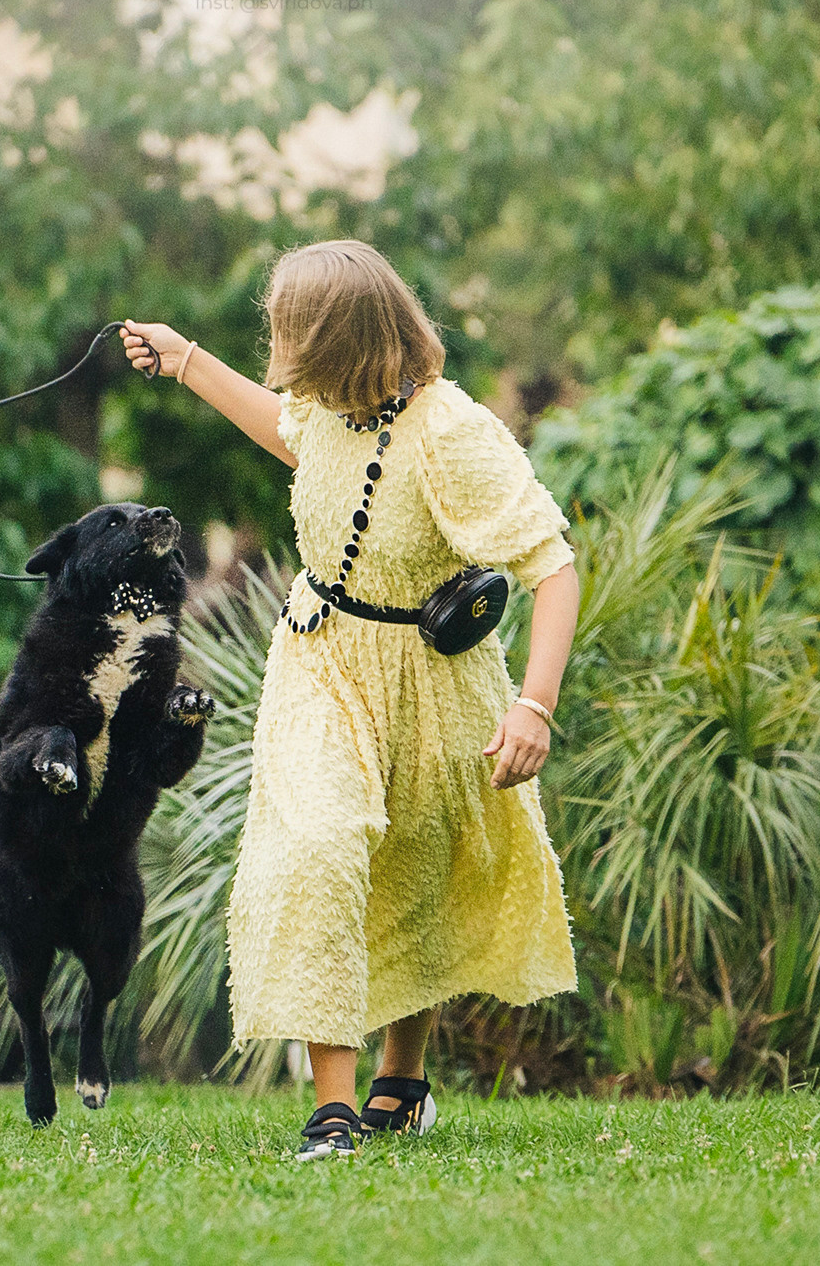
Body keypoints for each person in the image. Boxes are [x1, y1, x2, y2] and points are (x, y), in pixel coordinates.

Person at [120, 239, 580, 1161]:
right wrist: (184, 360)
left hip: (430, 677)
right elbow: (289, 435)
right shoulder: (327, 409)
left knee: (414, 868)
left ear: (344, 338)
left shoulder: (450, 431)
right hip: (321, 660)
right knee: (318, 845)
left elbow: (554, 566)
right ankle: (334, 1112)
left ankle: (400, 1086)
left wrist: (533, 707)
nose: (280, 350)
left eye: (294, 333)